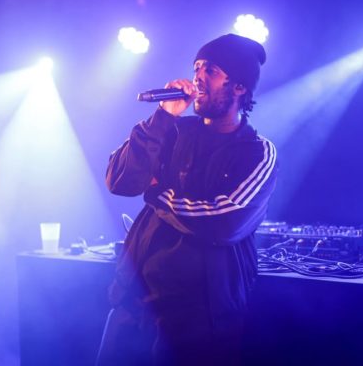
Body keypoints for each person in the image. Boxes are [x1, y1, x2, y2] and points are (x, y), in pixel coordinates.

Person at [97, 34, 278, 365]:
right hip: (132, 303)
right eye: (196, 67)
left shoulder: (256, 152)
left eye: (211, 70)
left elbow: (226, 220)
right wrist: (162, 117)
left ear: (239, 87)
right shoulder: (172, 130)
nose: (197, 77)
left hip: (197, 318)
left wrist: (158, 193)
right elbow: (120, 180)